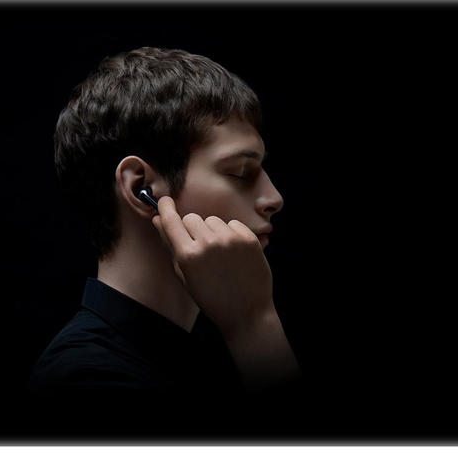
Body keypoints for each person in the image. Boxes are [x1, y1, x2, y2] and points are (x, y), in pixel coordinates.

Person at [27, 47, 302, 438]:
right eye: (242, 172)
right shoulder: (83, 383)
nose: (274, 198)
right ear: (142, 189)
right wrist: (256, 328)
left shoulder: (209, 359)